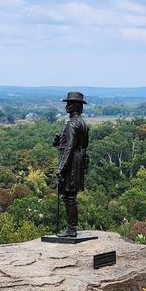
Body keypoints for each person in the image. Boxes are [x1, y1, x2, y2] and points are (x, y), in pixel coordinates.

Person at [53, 91, 90, 237]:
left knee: (69, 196)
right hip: (78, 160)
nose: (66, 106)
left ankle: (71, 229)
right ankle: (71, 228)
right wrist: (60, 141)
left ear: (76, 105)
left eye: (69, 103)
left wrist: (61, 167)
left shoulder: (72, 124)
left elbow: (70, 146)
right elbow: (83, 144)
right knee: (70, 196)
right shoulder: (83, 123)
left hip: (71, 163)